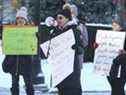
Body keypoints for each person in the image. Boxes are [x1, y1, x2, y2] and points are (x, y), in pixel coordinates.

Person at [51, 8, 88, 95]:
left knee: (72, 90)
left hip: (71, 69)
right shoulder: (56, 31)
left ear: (67, 18)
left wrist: (76, 46)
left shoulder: (75, 30)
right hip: (60, 69)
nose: (58, 20)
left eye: (60, 18)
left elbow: (81, 46)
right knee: (62, 90)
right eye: (57, 18)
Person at [2, 7, 34, 95]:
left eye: (22, 18)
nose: (20, 20)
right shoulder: (11, 31)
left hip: (26, 62)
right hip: (14, 61)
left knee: (29, 84)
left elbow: (34, 46)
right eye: (18, 18)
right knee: (14, 84)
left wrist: (36, 38)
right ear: (16, 20)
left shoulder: (30, 31)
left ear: (25, 20)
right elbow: (7, 45)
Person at [107, 19, 126, 95]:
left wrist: (124, 52)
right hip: (110, 68)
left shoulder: (124, 35)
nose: (113, 27)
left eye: (115, 25)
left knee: (118, 88)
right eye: (112, 25)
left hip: (122, 68)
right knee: (115, 88)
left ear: (120, 26)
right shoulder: (110, 36)